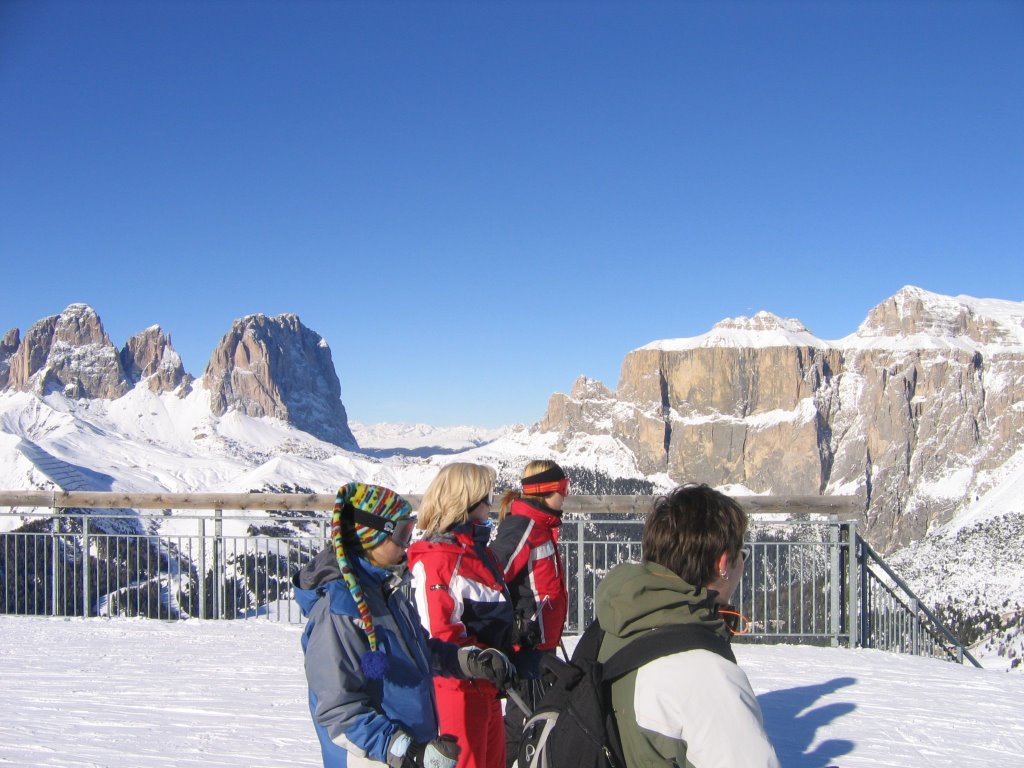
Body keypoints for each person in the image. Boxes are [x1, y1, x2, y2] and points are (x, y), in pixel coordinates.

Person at [293, 482, 515, 768]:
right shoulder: (339, 612)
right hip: (371, 758)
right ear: (370, 535)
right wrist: (404, 750)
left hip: (404, 750)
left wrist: (467, 660)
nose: (407, 543)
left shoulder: (387, 591)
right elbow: (338, 711)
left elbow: (419, 651)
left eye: (410, 531)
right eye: (401, 533)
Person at [595, 483, 780, 768]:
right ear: (723, 564)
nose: (743, 563)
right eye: (742, 554)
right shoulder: (706, 676)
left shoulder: (615, 623)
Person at [407, 463, 514, 768]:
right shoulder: (440, 558)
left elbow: (489, 611)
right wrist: (480, 661)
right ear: (466, 502)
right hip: (457, 689)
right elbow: (438, 633)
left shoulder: (479, 552)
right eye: (487, 498)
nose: (491, 507)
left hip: (486, 687)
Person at [489, 460, 570, 768]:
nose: (565, 495)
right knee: (524, 724)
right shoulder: (523, 527)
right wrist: (516, 624)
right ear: (544, 491)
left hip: (542, 642)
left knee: (538, 720)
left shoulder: (541, 525)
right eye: (562, 488)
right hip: (529, 646)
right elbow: (493, 577)